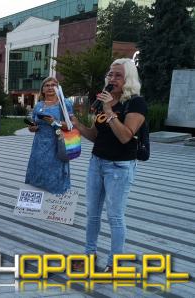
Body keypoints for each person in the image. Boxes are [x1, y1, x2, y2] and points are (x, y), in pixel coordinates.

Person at [71, 59, 147, 272]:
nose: (112, 79)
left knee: (115, 215)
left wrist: (108, 108)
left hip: (119, 167)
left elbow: (125, 136)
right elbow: (96, 136)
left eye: (118, 75)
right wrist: (78, 126)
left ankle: (114, 263)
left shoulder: (135, 103)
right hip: (97, 163)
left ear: (128, 78)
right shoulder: (103, 102)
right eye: (110, 74)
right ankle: (89, 255)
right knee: (92, 213)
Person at [24, 77, 73, 195]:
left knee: (54, 173)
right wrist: (32, 128)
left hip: (56, 144)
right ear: (43, 89)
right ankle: (37, 202)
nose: (50, 87)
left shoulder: (64, 103)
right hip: (39, 145)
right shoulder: (38, 105)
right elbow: (34, 124)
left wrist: (54, 122)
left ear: (58, 88)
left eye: (54, 85)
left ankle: (54, 204)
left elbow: (71, 126)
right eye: (47, 85)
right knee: (38, 172)